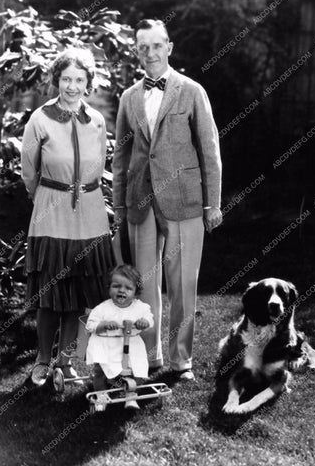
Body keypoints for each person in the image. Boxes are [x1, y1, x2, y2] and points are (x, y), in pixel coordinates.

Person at [112, 19, 222, 381]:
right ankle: (151, 355)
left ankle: (181, 360)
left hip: (184, 200)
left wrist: (213, 204)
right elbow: (121, 158)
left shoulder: (191, 91)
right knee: (146, 283)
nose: (150, 53)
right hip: (140, 202)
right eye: (143, 47)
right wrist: (120, 208)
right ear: (136, 52)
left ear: (169, 48)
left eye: (157, 45)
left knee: (182, 285)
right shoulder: (128, 98)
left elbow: (210, 151)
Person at [21, 47, 115, 386]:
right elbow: (28, 173)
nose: (72, 86)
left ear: (88, 83)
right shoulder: (40, 119)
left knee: (79, 290)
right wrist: (48, 196)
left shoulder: (98, 121)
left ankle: (67, 360)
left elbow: (100, 168)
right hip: (51, 212)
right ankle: (43, 360)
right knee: (50, 290)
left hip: (90, 213)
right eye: (66, 79)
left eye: (79, 80)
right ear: (55, 80)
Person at [85, 264, 154, 409]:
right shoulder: (102, 308)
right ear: (109, 288)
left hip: (131, 343)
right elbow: (90, 325)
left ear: (136, 292)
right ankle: (101, 395)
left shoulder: (140, 307)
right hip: (106, 342)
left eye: (128, 288)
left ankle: (131, 396)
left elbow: (150, 319)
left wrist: (144, 322)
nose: (122, 290)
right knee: (100, 371)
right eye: (117, 286)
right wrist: (104, 325)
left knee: (138, 369)